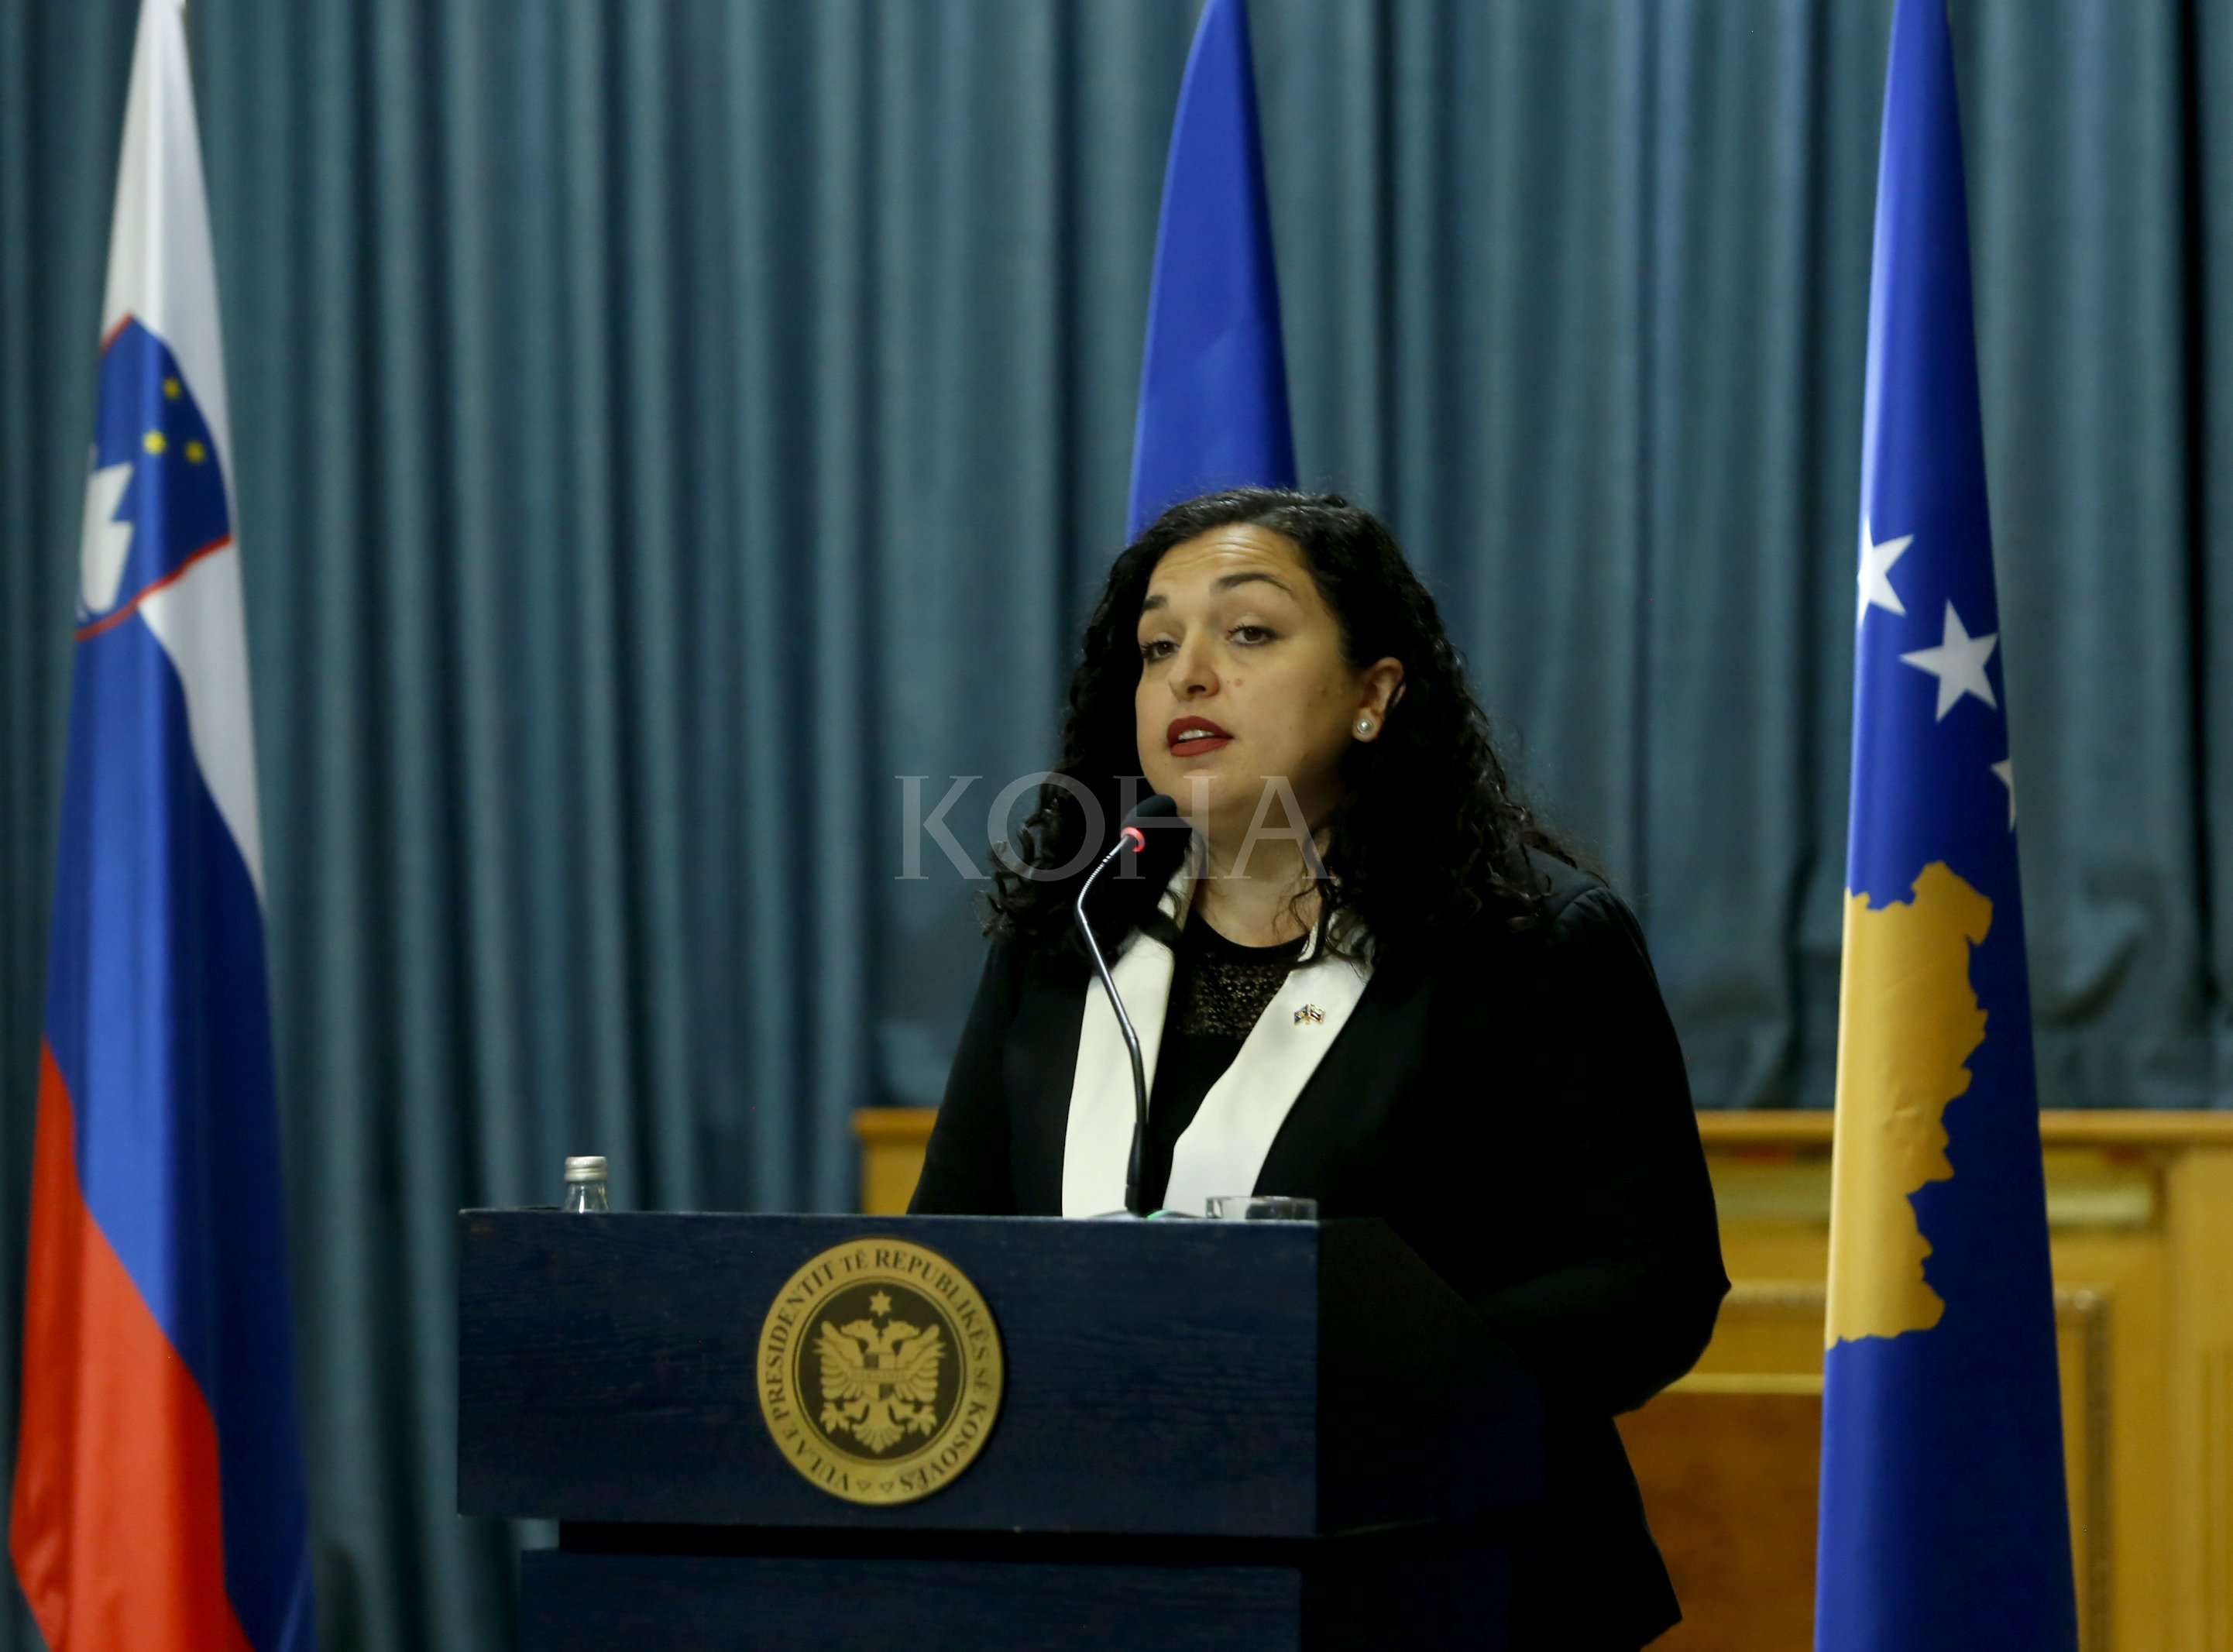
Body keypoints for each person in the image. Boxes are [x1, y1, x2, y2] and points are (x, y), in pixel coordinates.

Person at [910, 487, 1728, 1650]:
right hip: (1095, 1579)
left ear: (1373, 695)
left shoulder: (1528, 941)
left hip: (1449, 1579)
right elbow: (951, 1250)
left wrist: (1338, 1375)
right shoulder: (1067, 937)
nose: (1191, 675)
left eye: (1248, 632)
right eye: (1158, 647)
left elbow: (1653, 1284)